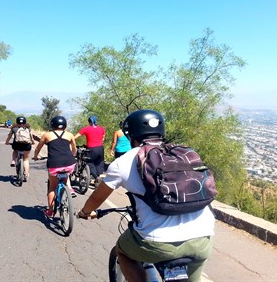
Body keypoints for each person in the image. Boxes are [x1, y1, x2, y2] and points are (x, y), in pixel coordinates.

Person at [77, 109, 215, 282]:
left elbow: (96, 198)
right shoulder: (182, 154)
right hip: (202, 238)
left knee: (122, 250)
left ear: (131, 134)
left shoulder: (124, 162)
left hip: (156, 242)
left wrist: (85, 212)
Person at [33, 115, 78, 217]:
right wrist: (73, 155)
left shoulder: (46, 135)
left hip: (54, 164)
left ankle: (50, 211)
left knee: (52, 188)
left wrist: (35, 157)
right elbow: (74, 148)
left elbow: (38, 148)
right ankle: (70, 189)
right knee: (66, 173)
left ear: (52, 125)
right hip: (69, 162)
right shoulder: (70, 135)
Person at [74, 115, 105, 182]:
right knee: (99, 162)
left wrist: (70, 142)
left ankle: (96, 177)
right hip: (100, 148)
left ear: (89, 122)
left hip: (91, 148)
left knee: (89, 162)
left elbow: (75, 137)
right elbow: (103, 139)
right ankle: (98, 176)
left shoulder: (86, 129)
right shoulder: (101, 128)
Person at [5, 116, 35, 181]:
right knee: (26, 159)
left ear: (17, 122)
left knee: (15, 151)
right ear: (25, 122)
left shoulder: (14, 128)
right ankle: (26, 173)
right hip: (26, 145)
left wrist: (7, 142)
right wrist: (32, 142)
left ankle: (13, 160)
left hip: (17, 145)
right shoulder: (28, 128)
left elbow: (9, 136)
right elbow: (31, 137)